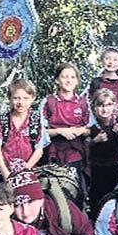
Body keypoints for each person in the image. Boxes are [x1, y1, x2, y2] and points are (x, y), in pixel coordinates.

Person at [0, 77, 48, 181]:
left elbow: (39, 149)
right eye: (16, 98)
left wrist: (25, 170)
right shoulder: (2, 121)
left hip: (29, 172)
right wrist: (5, 173)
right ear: (10, 98)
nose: (21, 102)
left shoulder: (36, 121)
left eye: (25, 98)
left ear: (32, 98)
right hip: (3, 172)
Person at [41, 62, 91, 192]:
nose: (69, 80)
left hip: (76, 153)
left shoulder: (83, 102)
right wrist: (59, 131)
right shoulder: (49, 102)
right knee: (54, 190)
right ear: (57, 80)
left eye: (72, 77)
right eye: (64, 77)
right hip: (53, 153)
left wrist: (80, 130)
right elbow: (40, 131)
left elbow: (90, 129)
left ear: (77, 81)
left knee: (74, 189)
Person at [89, 88, 118, 216]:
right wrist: (95, 141)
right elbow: (83, 147)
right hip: (96, 168)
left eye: (108, 105)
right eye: (100, 105)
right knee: (97, 199)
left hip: (116, 167)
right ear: (94, 107)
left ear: (114, 106)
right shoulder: (90, 125)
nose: (105, 109)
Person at [87, 47, 118, 114]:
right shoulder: (96, 83)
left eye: (115, 60)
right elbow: (91, 103)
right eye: (107, 59)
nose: (111, 62)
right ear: (102, 61)